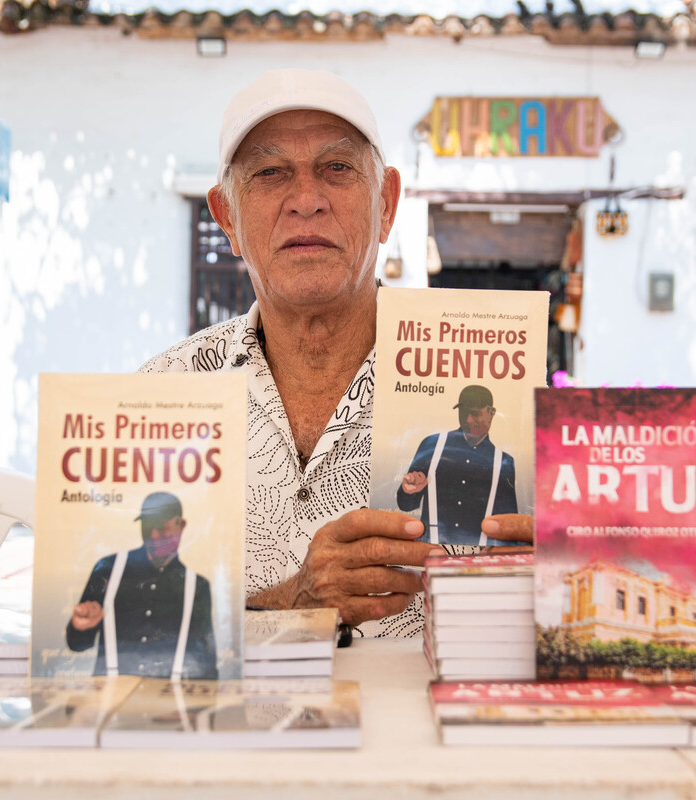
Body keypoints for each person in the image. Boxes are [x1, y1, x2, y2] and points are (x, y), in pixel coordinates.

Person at [140, 69, 531, 637]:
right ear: (227, 217)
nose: (305, 201)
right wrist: (288, 604)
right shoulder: (160, 395)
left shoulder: (505, 389)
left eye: (337, 169)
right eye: (270, 173)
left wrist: (549, 576)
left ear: (387, 205)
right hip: (229, 727)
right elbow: (122, 630)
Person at [66, 492, 218, 678]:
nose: (154, 534)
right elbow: (77, 645)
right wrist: (81, 627)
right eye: (148, 526)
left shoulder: (197, 587)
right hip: (110, 702)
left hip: (168, 704)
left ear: (181, 525)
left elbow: (206, 667)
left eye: (162, 525)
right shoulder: (107, 569)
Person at [396, 385, 518, 546]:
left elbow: (508, 525)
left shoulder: (504, 462)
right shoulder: (431, 445)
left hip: (478, 563)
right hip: (429, 556)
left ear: (491, 413)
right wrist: (408, 491)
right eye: (463, 412)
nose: (467, 420)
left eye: (474, 413)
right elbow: (406, 505)